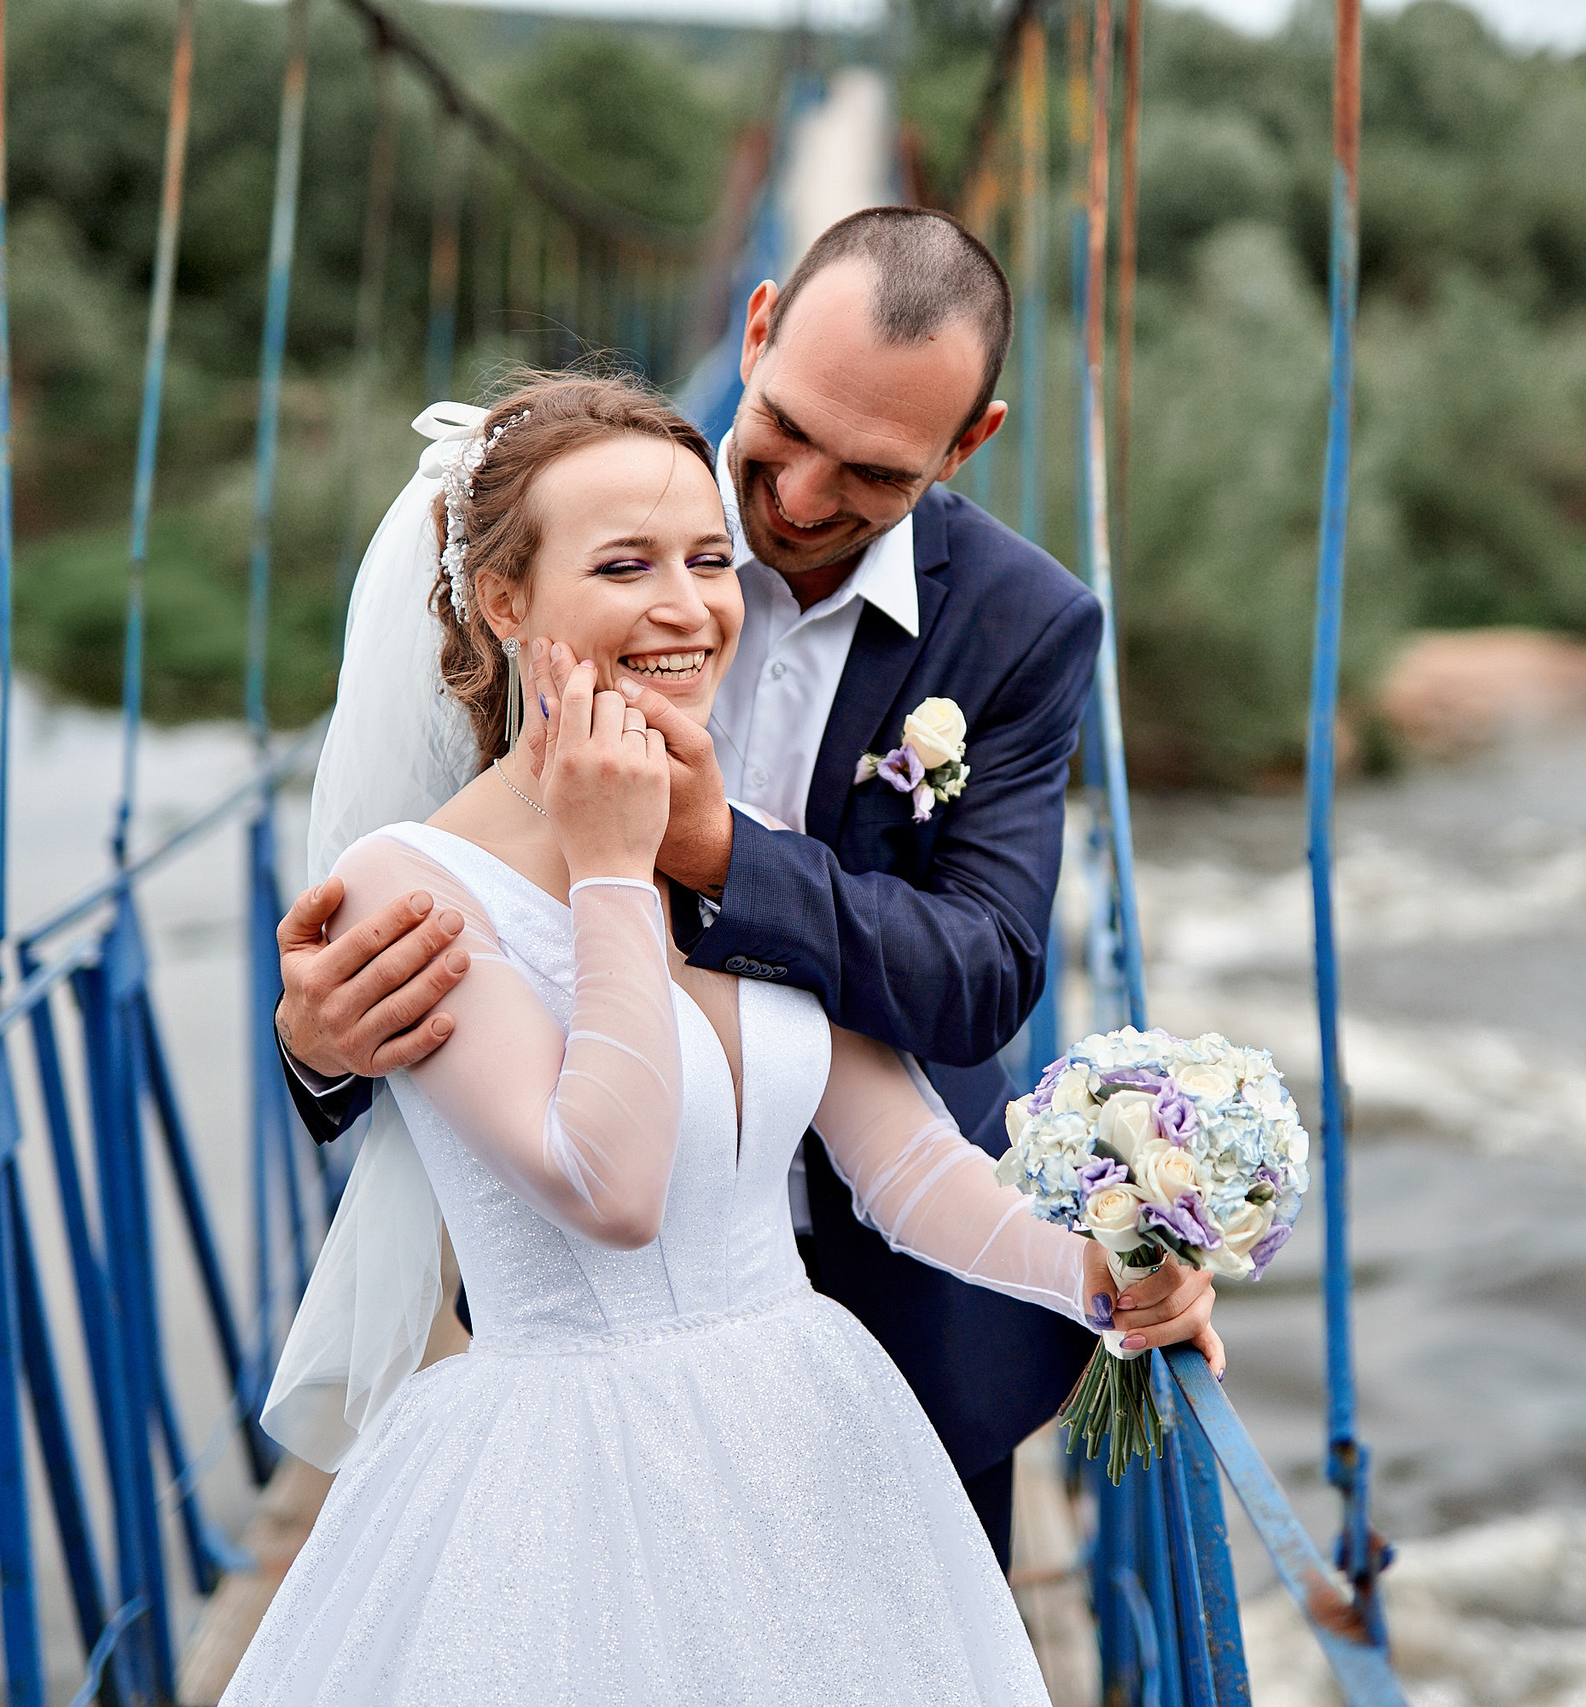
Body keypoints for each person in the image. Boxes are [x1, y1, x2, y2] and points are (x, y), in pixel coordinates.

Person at [222, 375, 1220, 1705]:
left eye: (708, 559)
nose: (689, 607)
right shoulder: (415, 887)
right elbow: (610, 1186)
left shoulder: (734, 833)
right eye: (625, 564)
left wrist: (1102, 1271)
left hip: (815, 1435)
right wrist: (615, 871)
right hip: (577, 1489)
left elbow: (905, 1165)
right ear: (503, 603)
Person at [273, 208, 1107, 1566]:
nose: (794, 504)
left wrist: (1115, 1272)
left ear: (969, 447)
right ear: (757, 326)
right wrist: (319, 1047)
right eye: (783, 432)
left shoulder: (1024, 623)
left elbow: (982, 979)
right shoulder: (582, 505)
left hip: (899, 1343)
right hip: (582, 1369)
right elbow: (413, 915)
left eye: (876, 473)